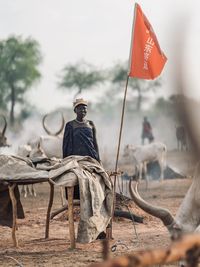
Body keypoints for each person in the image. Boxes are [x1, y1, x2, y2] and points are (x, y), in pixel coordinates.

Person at [62, 98, 101, 198]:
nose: (83, 111)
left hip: (90, 158)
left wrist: (98, 159)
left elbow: (95, 143)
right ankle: (76, 205)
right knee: (76, 182)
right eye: (80, 109)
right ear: (75, 110)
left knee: (93, 182)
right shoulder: (70, 125)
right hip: (76, 160)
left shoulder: (91, 124)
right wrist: (65, 161)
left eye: (85, 109)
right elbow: (65, 145)